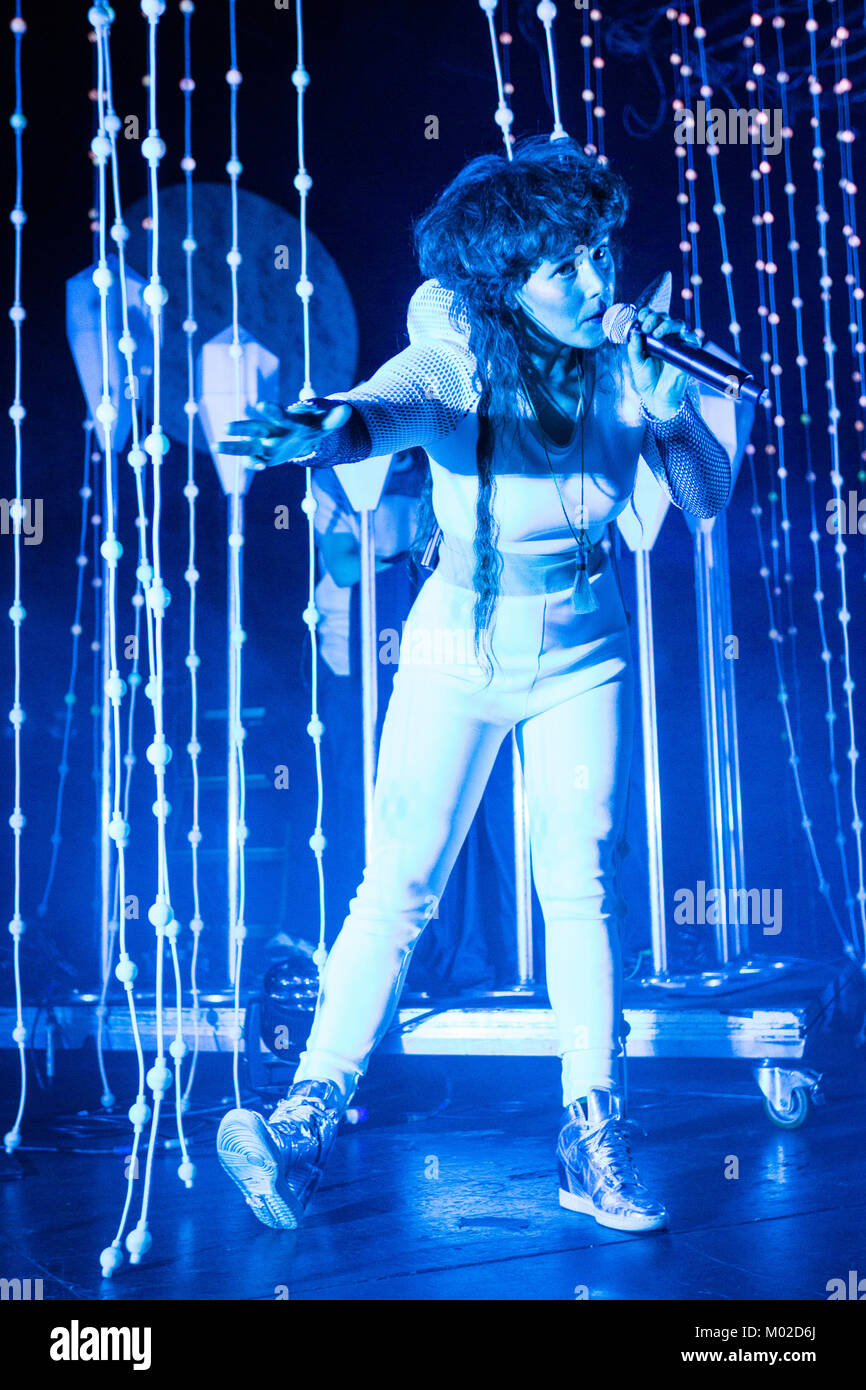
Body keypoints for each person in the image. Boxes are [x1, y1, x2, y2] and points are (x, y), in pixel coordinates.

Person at [215, 135, 730, 1234]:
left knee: (578, 878)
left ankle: (589, 1134)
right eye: (563, 267)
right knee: (396, 882)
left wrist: (667, 409)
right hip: (456, 642)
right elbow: (400, 400)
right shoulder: (456, 334)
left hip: (581, 646)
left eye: (597, 250)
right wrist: (336, 427)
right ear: (505, 283)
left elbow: (702, 498)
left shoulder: (628, 343)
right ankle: (305, 1116)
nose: (594, 282)